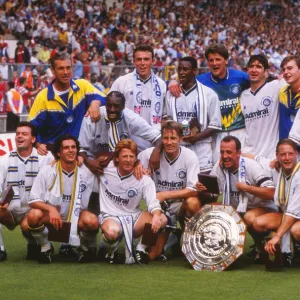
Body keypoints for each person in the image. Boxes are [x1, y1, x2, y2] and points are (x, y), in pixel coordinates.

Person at [196, 135, 277, 261]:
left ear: (238, 153)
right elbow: (212, 195)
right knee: (210, 209)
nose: (225, 156)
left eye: (229, 152)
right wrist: (202, 190)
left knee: (249, 217)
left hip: (264, 209)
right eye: (222, 152)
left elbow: (271, 192)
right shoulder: (220, 166)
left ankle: (275, 244)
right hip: (240, 209)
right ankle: (212, 250)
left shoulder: (252, 166)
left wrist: (247, 188)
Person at [169, 43, 250, 163]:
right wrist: (172, 82)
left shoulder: (240, 77)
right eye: (211, 60)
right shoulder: (202, 80)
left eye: (218, 59)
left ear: (226, 60)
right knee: (218, 169)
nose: (214, 63)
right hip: (215, 134)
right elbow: (183, 80)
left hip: (238, 131)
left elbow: (259, 80)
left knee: (241, 166)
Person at [27, 135, 98, 264]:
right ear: (59, 153)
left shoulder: (86, 172)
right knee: (33, 216)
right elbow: (33, 200)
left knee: (92, 220)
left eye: (73, 147)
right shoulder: (47, 170)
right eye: (66, 148)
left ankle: (83, 248)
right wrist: (51, 209)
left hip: (76, 219)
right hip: (53, 219)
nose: (71, 150)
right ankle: (45, 247)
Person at [138, 121, 200, 260]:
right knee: (152, 255)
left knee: (193, 203)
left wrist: (164, 195)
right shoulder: (147, 155)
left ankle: (188, 239)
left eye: (173, 138)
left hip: (179, 204)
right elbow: (132, 167)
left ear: (181, 139)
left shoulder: (190, 156)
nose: (169, 142)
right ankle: (171, 238)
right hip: (158, 207)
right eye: (165, 138)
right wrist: (139, 169)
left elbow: (193, 190)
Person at [98, 139, 166, 264]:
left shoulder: (143, 178)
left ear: (136, 159)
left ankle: (140, 249)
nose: (128, 160)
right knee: (112, 233)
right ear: (117, 158)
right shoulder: (105, 169)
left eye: (131, 157)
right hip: (111, 217)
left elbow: (152, 202)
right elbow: (93, 159)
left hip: (134, 218)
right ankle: (108, 249)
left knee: (162, 219)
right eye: (124, 156)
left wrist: (156, 215)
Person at [28, 52, 106, 155]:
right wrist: (38, 144)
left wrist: (95, 103)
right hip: (53, 154)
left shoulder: (82, 86)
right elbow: (31, 127)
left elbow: (105, 98)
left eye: (68, 68)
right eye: (61, 68)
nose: (66, 72)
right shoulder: (43, 97)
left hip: (79, 153)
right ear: (52, 70)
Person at [0, 122, 53, 262]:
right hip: (11, 211)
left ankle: (39, 244)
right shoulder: (4, 160)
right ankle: (0, 250)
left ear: (33, 139)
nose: (19, 137)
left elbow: (61, 156)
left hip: (34, 210)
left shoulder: (45, 158)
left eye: (24, 134)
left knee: (27, 223)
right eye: (17, 134)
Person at [78, 91, 162, 175]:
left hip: (123, 162)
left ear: (123, 107)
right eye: (109, 105)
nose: (112, 110)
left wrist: (156, 151)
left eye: (116, 106)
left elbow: (157, 136)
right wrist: (89, 163)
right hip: (96, 162)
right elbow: (81, 148)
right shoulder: (93, 116)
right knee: (79, 164)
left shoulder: (131, 118)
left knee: (149, 153)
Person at [164, 56, 221, 172]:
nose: (181, 73)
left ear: (194, 71)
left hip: (201, 149)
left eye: (185, 69)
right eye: (179, 69)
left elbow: (216, 125)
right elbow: (166, 119)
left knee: (202, 185)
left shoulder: (209, 94)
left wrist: (197, 137)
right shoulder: (170, 94)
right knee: (180, 184)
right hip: (178, 147)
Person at [109, 44, 166, 150]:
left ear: (153, 61)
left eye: (146, 59)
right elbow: (109, 108)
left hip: (152, 142)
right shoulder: (122, 82)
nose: (142, 63)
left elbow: (164, 115)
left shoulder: (161, 85)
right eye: (139, 59)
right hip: (126, 141)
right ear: (134, 61)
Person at [254, 139, 300, 267]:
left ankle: (291, 247)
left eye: (290, 154)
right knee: (258, 222)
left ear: (296, 154)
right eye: (283, 154)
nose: (287, 158)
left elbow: (292, 214)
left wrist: (277, 236)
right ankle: (284, 250)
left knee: (296, 230)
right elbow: (255, 158)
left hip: (294, 217)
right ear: (277, 156)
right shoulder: (276, 169)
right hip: (291, 215)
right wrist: (221, 160)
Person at [240, 55, 286, 159]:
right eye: (251, 66)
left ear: (266, 73)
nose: (254, 70)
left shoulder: (276, 87)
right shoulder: (243, 96)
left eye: (258, 66)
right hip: (248, 154)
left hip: (270, 156)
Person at [280, 56, 300, 143]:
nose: (286, 72)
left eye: (290, 68)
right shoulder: (282, 92)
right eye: (284, 70)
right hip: (284, 149)